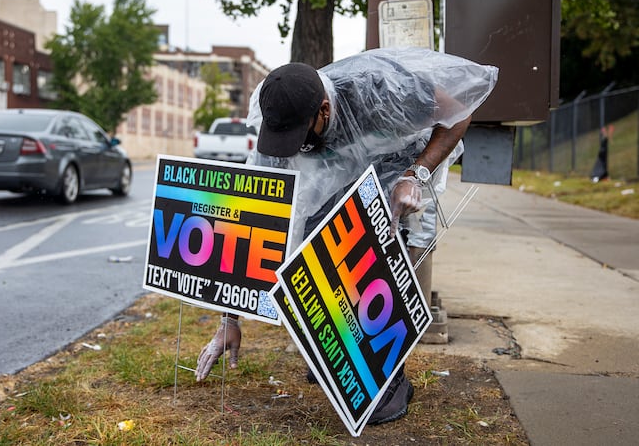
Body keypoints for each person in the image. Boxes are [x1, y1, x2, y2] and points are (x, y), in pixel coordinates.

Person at [195, 47, 498, 424]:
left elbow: (459, 115)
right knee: (313, 256)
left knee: (371, 270)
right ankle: (333, 355)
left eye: (299, 135)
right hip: (330, 185)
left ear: (323, 110)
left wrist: (416, 175)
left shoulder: (381, 89)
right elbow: (257, 224)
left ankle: (387, 382)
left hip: (397, 180)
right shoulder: (278, 117)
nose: (294, 146)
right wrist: (230, 319)